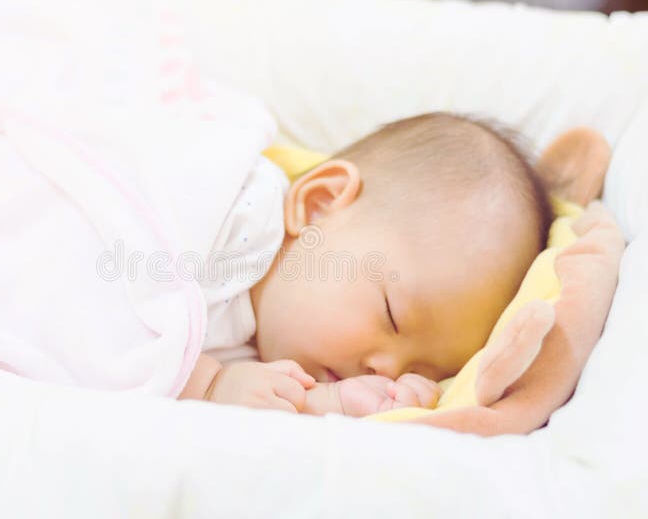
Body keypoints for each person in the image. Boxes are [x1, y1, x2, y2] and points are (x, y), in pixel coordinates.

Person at [179, 112, 555, 417]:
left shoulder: (263, 348)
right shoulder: (231, 214)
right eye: (392, 316)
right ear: (319, 205)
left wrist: (334, 401)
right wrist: (208, 386)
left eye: (422, 371)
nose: (388, 370)